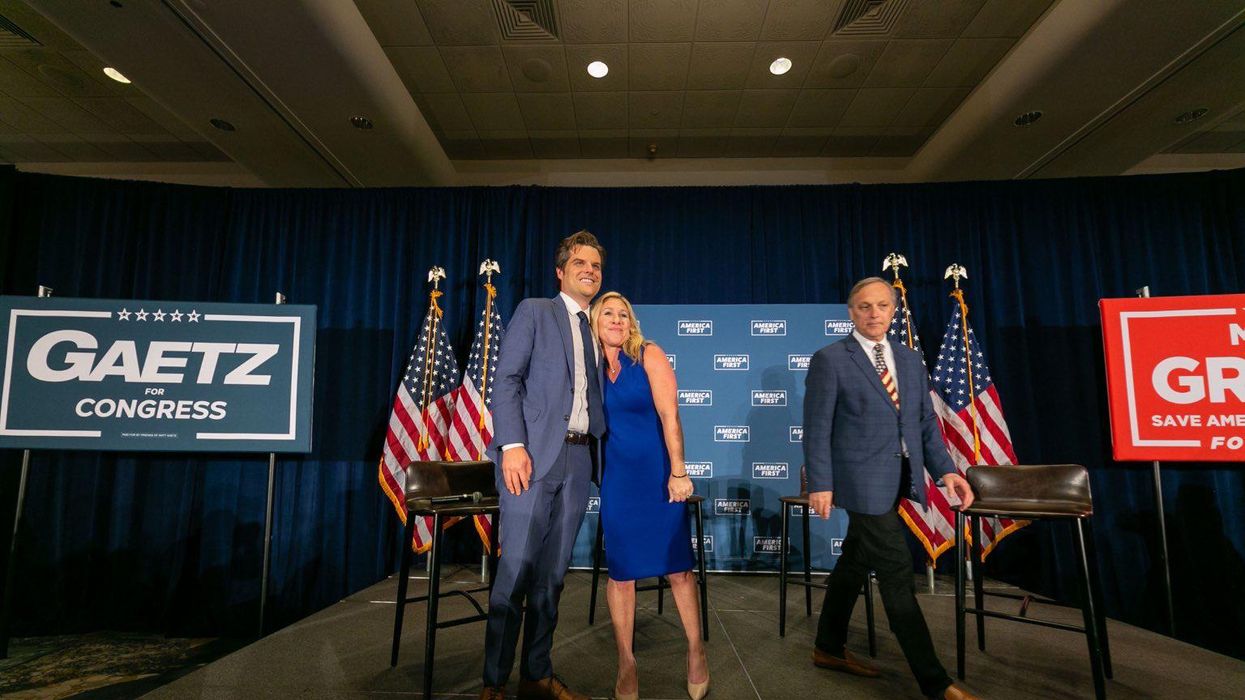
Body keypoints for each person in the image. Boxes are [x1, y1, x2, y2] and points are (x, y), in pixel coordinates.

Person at [803, 276, 980, 700]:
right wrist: (821, 482)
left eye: (882, 306)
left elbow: (923, 424)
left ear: (893, 310)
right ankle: (935, 683)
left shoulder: (908, 358)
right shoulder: (831, 359)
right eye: (864, 306)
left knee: (853, 563)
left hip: (900, 476)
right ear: (851, 312)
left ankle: (828, 647)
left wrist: (946, 471)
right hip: (858, 481)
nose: (874, 314)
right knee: (898, 574)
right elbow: (817, 427)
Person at [481, 231, 606, 700]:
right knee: (514, 572)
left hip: (578, 462)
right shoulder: (535, 311)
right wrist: (512, 444)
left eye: (595, 265)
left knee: (552, 579)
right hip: (530, 459)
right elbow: (507, 380)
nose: (589, 270)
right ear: (561, 271)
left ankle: (536, 674)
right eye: (580, 263)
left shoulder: (599, 329)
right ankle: (494, 682)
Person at [591, 291, 708, 700]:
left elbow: (670, 414)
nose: (617, 319)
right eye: (608, 313)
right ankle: (626, 662)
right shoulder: (590, 366)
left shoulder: (649, 355)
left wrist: (679, 471)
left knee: (677, 567)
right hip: (618, 481)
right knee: (620, 574)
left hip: (658, 476)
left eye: (624, 314)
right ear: (593, 320)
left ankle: (695, 651)